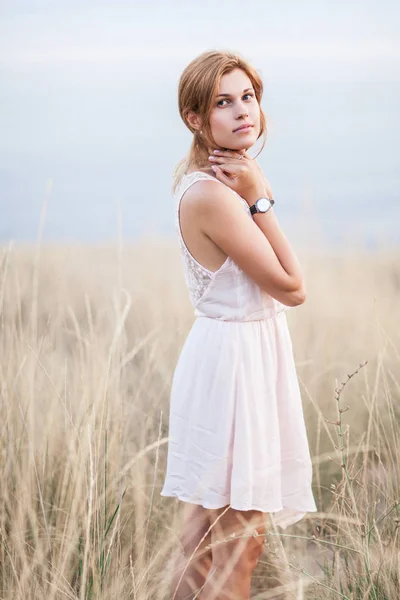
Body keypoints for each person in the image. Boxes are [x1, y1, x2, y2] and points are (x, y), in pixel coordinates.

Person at [160, 49, 318, 600]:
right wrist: (261, 197)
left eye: (247, 97)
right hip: (233, 371)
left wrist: (250, 189)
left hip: (239, 356)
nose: (241, 111)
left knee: (209, 544)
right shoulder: (217, 196)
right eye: (222, 102)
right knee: (233, 548)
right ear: (196, 120)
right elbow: (293, 288)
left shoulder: (216, 183)